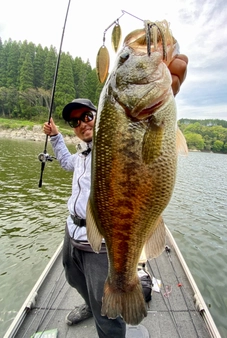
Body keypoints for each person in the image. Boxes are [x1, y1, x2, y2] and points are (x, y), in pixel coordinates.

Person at [43, 54, 188, 338]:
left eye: (87, 116)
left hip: (102, 244)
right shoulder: (81, 156)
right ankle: (90, 304)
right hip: (72, 233)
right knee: (74, 279)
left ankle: (108, 311)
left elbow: (134, 143)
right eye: (75, 122)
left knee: (107, 309)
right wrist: (56, 137)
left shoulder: (109, 144)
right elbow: (64, 161)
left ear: (100, 119)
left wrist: (164, 92)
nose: (83, 123)